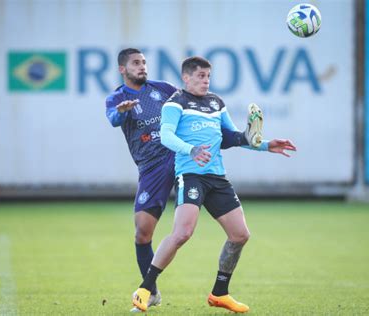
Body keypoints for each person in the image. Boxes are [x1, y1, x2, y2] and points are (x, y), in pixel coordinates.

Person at [131, 56, 296, 313]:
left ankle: (220, 293)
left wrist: (263, 144)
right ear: (186, 78)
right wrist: (191, 149)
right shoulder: (175, 103)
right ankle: (145, 288)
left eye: (208, 76)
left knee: (240, 235)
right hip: (191, 176)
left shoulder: (216, 103)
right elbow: (166, 136)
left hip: (217, 177)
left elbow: (230, 137)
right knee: (183, 233)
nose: (206, 81)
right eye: (200, 76)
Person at [105, 49, 262, 310]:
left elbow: (193, 106)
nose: (142, 66)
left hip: (182, 158)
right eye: (136, 63)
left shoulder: (165, 89)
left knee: (221, 232)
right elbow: (113, 119)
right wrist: (122, 113)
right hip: (152, 166)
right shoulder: (117, 98)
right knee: (143, 232)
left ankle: (216, 292)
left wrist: (260, 142)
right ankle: (150, 291)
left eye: (144, 62)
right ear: (123, 69)